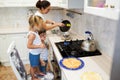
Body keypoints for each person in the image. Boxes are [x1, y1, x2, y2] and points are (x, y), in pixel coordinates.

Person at [27, 15, 46, 80]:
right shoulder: (32, 35)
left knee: (37, 64)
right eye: (40, 25)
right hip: (33, 54)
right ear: (35, 25)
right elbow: (28, 46)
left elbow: (36, 41)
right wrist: (39, 46)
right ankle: (33, 77)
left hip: (37, 53)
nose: (41, 26)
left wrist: (41, 40)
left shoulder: (35, 31)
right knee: (33, 67)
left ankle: (38, 72)